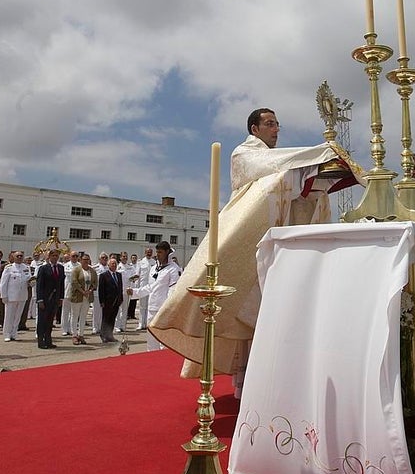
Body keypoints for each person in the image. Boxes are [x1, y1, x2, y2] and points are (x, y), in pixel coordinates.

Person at [152, 107, 360, 389]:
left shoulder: (277, 161)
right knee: (239, 312)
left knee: (263, 312)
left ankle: (267, 383)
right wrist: (314, 161)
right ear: (254, 129)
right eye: (270, 124)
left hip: (272, 244)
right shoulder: (244, 154)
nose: (276, 129)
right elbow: (275, 183)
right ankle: (246, 384)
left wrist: (314, 185)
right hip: (245, 236)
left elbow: (292, 187)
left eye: (277, 124)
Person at [128, 241, 182, 351]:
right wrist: (134, 292)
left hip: (163, 310)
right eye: (157, 252)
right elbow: (150, 287)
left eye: (160, 252)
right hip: (152, 308)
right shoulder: (154, 268)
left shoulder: (174, 269)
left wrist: (167, 309)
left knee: (164, 342)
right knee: (151, 340)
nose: (157, 254)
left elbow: (173, 292)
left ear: (167, 252)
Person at [34, 249, 64, 349]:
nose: (55, 257)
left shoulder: (60, 268)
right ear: (49, 257)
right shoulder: (43, 268)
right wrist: (40, 299)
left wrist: (61, 298)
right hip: (45, 298)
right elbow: (39, 285)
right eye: (53, 256)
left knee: (50, 320)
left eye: (57, 256)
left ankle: (48, 340)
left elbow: (61, 284)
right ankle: (41, 341)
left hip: (55, 299)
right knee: (42, 320)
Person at [0, 251, 30, 341]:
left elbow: (29, 279)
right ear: (13, 257)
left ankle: (14, 332)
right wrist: (3, 296)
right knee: (9, 315)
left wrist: (32, 282)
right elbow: (3, 283)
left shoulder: (26, 267)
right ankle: (7, 334)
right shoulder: (9, 268)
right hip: (11, 296)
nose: (19, 257)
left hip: (22, 295)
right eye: (17, 256)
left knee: (18, 316)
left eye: (21, 256)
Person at [98, 256, 124, 343]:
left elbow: (120, 288)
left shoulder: (119, 275)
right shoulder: (103, 275)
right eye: (112, 264)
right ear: (108, 265)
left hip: (116, 301)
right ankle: (103, 335)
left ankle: (110, 335)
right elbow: (101, 290)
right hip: (107, 301)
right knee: (106, 318)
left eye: (115, 264)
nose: (114, 265)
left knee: (112, 318)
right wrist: (102, 301)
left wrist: (121, 298)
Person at [66, 253, 89, 344]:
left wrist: (89, 290)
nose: (86, 261)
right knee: (74, 316)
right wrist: (82, 291)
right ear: (81, 260)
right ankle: (74, 335)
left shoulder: (90, 270)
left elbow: (94, 281)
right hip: (77, 295)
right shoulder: (76, 269)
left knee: (83, 316)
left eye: (87, 259)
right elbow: (74, 282)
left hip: (86, 296)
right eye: (84, 259)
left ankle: (81, 334)